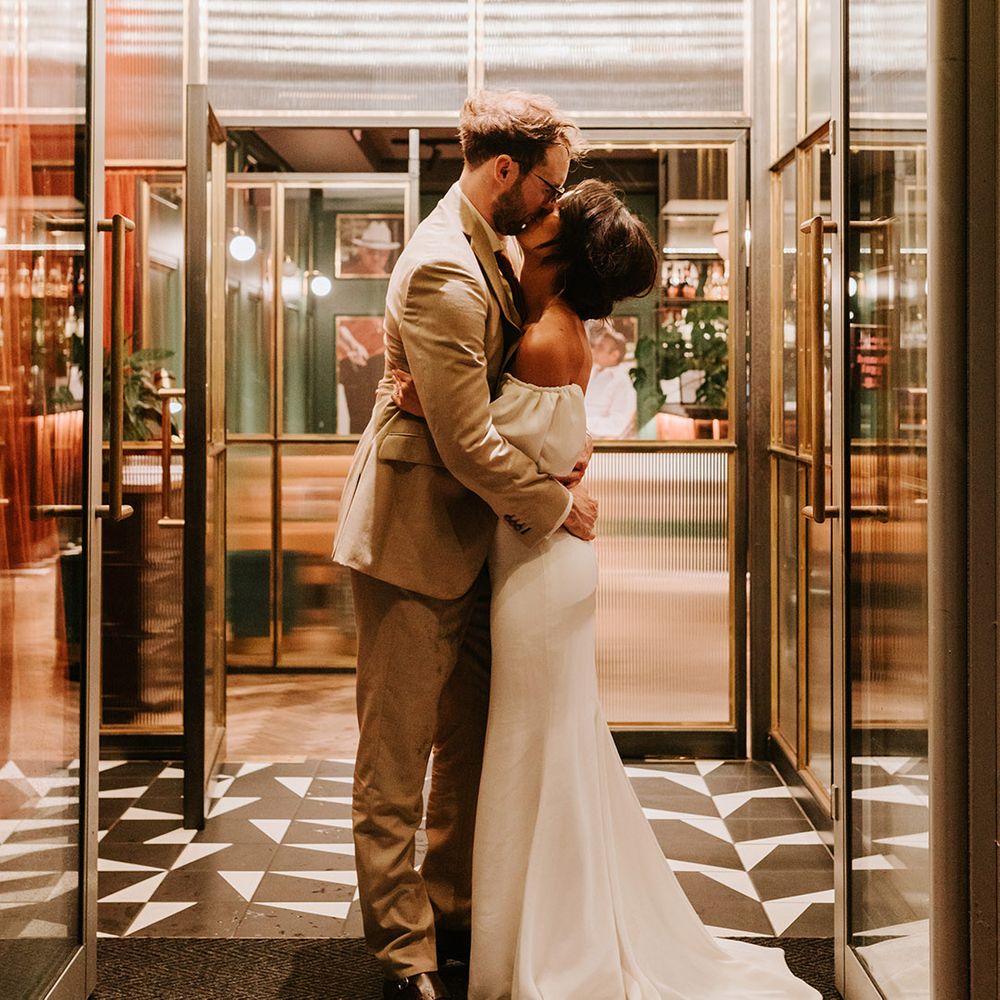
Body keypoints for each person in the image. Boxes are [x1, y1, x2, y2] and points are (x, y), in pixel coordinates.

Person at [394, 180, 820, 998]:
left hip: (541, 568)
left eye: (551, 207)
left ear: (559, 245)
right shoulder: (548, 329)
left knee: (537, 751)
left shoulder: (544, 340)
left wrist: (428, 407)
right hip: (539, 559)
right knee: (548, 750)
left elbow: (482, 450)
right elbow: (542, 446)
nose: (536, 210)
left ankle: (553, 943)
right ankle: (540, 927)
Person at [331, 90, 596, 1000]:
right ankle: (403, 958)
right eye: (549, 185)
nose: (552, 205)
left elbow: (480, 402)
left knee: (471, 746)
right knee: (395, 761)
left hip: (474, 539)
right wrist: (554, 506)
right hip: (411, 541)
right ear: (503, 171)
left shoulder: (492, 248)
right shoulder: (446, 265)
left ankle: (447, 910)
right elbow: (467, 438)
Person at [585, 318, 638, 438]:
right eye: (596, 345)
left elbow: (616, 426)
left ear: (614, 355)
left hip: (598, 444)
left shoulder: (622, 383)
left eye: (601, 347)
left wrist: (581, 423)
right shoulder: (592, 371)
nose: (594, 350)